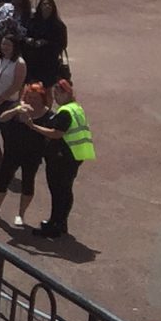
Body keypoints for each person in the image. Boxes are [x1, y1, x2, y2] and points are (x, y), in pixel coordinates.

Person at [35, 76, 93, 241]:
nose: (56, 97)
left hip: (63, 157)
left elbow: (56, 134)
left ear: (67, 94)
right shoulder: (76, 108)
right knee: (65, 191)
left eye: (59, 93)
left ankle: (55, 223)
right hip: (75, 155)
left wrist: (34, 127)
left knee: (58, 191)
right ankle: (60, 222)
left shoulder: (66, 111)